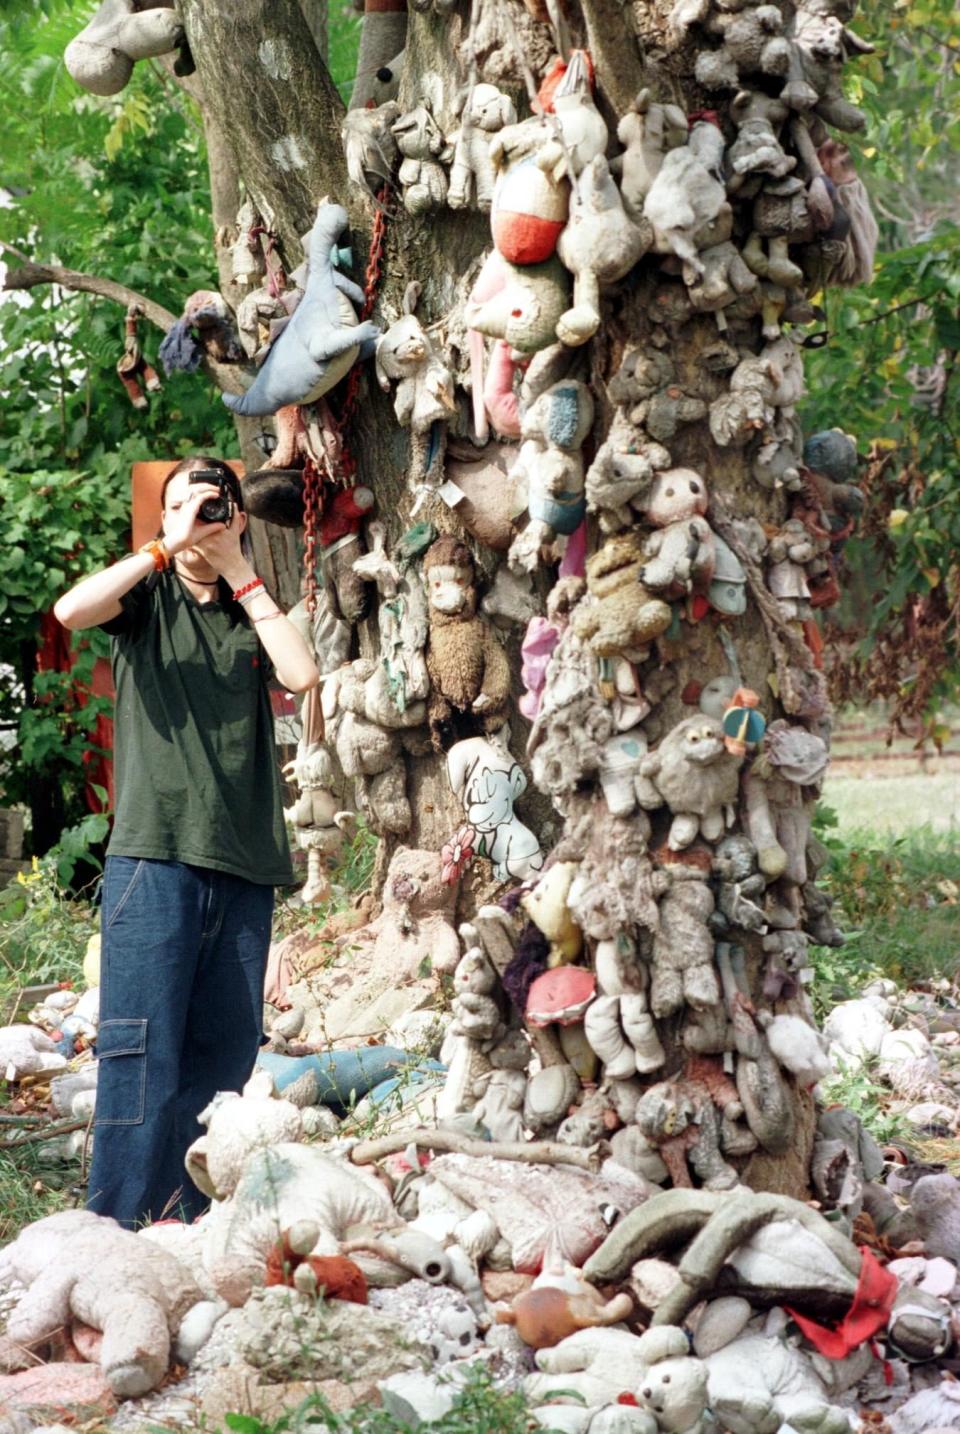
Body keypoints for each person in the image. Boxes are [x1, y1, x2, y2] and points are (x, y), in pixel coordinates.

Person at [54, 456, 319, 1227]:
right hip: (153, 855)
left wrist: (240, 566)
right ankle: (115, 1231)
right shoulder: (145, 599)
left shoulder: (251, 609)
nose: (198, 515)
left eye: (213, 504)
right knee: (139, 1055)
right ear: (161, 517)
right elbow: (73, 610)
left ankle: (190, 1227)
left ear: (237, 516)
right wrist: (161, 546)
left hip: (243, 863)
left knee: (221, 1057)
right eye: (180, 504)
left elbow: (300, 674)